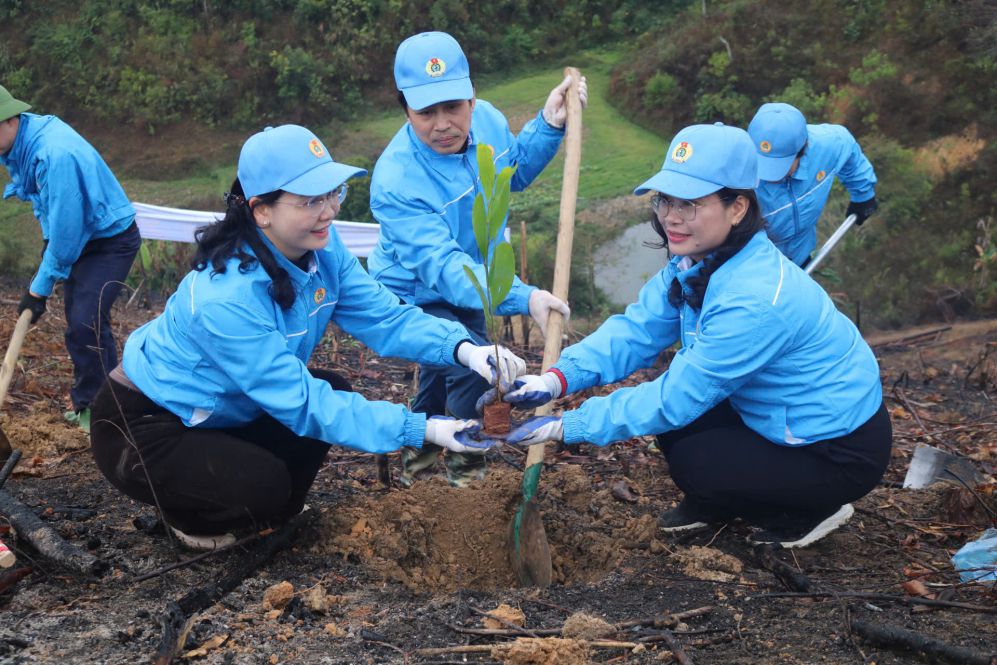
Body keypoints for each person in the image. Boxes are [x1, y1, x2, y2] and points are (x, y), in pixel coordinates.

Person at [89, 125, 511, 551]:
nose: (328, 211)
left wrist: (463, 348)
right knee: (264, 486)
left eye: (333, 193)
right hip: (143, 425)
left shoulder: (323, 248)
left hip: (223, 412)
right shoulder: (225, 299)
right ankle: (190, 519)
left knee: (324, 410)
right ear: (261, 210)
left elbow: (385, 317)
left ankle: (258, 509)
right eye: (310, 200)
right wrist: (419, 428)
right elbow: (303, 402)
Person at [498, 123, 892, 549]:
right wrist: (554, 379)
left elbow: (677, 397)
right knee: (677, 429)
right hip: (773, 414)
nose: (670, 215)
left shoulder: (755, 299)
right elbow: (636, 331)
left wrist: (567, 426)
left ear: (738, 208)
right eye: (666, 199)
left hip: (833, 447)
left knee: (694, 460)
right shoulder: (699, 260)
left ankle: (808, 511)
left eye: (689, 203)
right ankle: (722, 498)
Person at [367, 31, 585, 487]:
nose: (443, 124)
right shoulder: (396, 181)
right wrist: (525, 298)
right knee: (464, 359)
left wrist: (549, 123)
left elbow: (515, 172)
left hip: (476, 272)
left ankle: (433, 448)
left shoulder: (485, 121)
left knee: (446, 366)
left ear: (472, 96)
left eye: (454, 106)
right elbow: (444, 269)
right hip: (415, 285)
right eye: (426, 112)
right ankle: (456, 456)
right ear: (405, 108)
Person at [0, 85, 141, 432]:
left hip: (109, 240)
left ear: (8, 119)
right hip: (80, 234)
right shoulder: (25, 137)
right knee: (79, 319)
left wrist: (38, 289)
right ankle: (88, 399)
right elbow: (48, 206)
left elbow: (67, 237)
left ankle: (106, 410)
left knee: (85, 322)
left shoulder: (53, 153)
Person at [747, 102, 878, 267]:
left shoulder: (827, 144)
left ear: (803, 150)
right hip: (758, 265)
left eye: (779, 166)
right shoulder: (736, 175)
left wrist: (863, 195)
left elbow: (848, 148)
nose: (768, 176)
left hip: (801, 254)